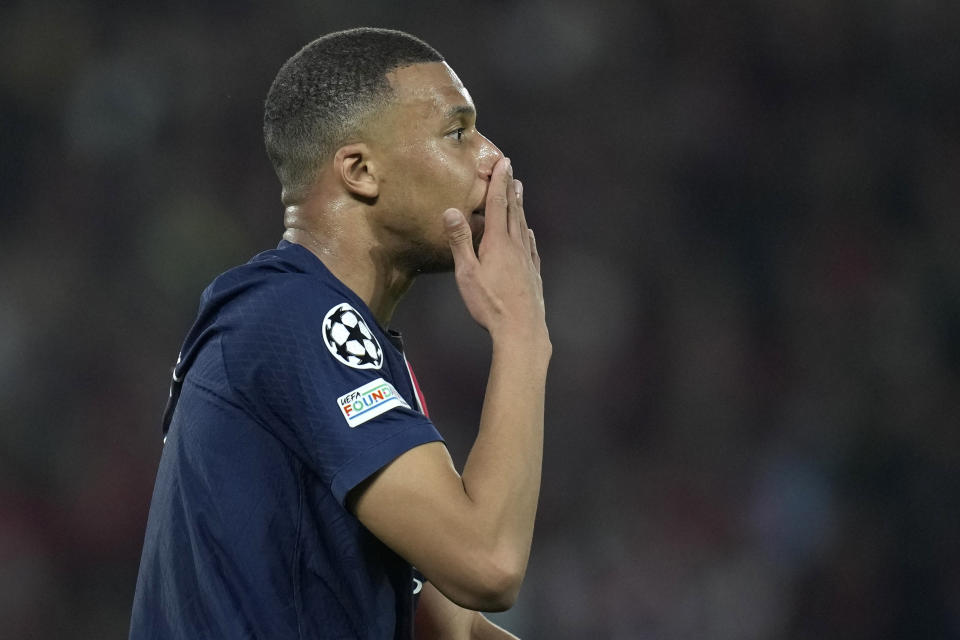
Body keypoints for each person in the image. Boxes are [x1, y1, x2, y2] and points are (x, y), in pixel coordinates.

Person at [129, 27, 550, 639]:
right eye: (457, 133)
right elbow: (487, 564)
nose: (493, 158)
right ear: (359, 170)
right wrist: (521, 334)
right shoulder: (290, 316)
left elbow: (454, 629)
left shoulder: (342, 340)